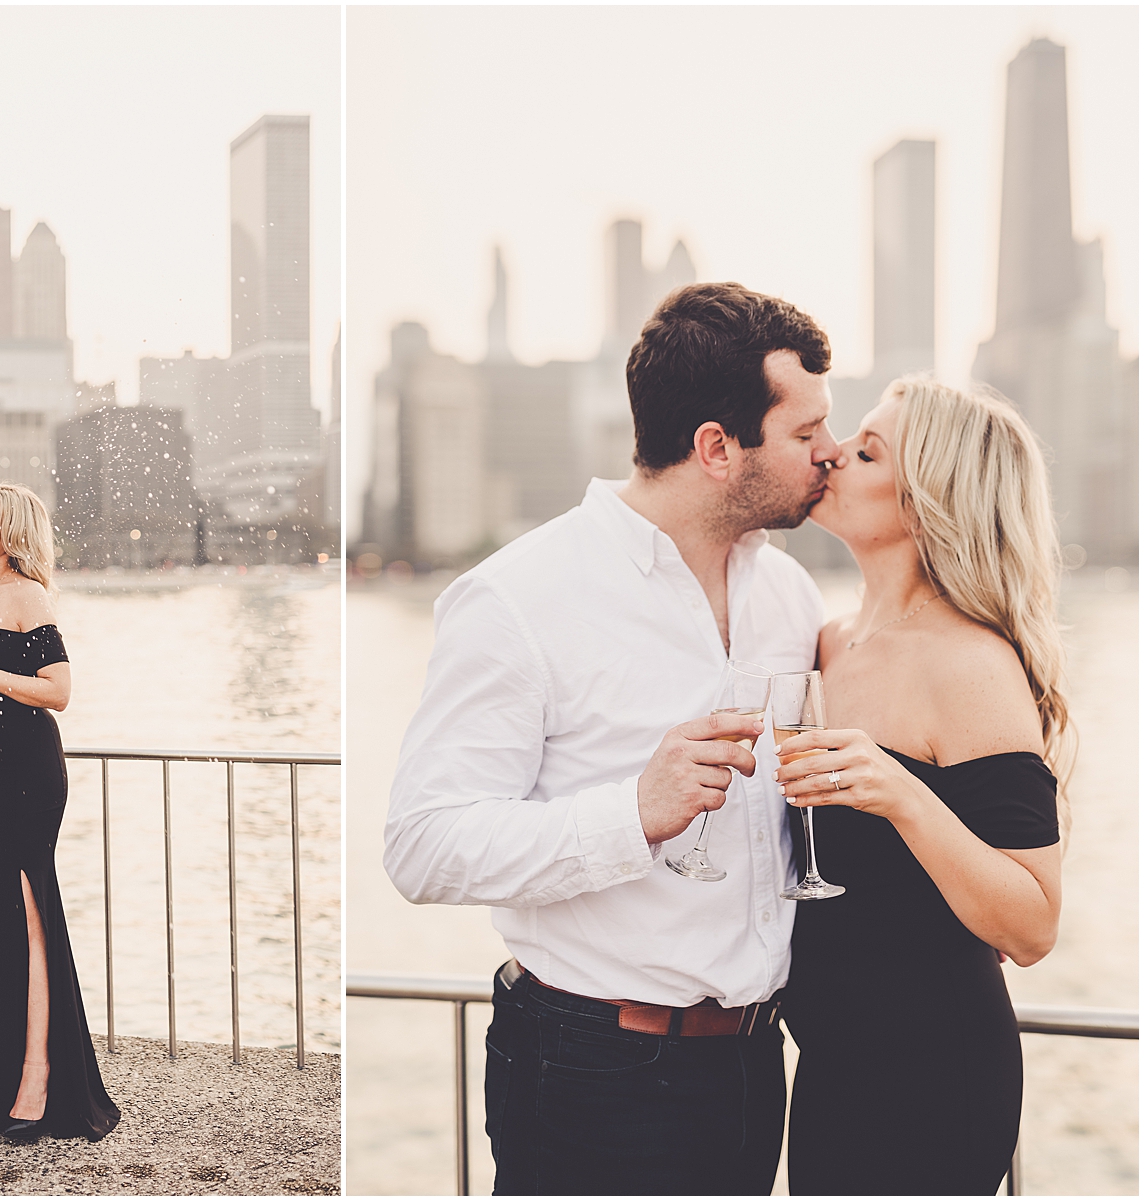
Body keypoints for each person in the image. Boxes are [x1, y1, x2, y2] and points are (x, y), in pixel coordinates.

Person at [384, 282, 845, 1195]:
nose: (830, 453)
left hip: (757, 1069)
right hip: (592, 1073)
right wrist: (634, 812)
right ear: (717, 447)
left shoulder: (789, 595)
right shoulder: (520, 597)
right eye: (805, 433)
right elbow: (420, 844)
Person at [774, 378, 1067, 1195]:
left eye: (867, 451)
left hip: (933, 1081)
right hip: (829, 1067)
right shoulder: (828, 641)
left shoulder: (970, 662)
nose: (832, 452)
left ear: (928, 500)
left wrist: (899, 792)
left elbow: (1034, 923)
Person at [0, 482, 120, 1142]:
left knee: (29, 913)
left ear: (12, 535)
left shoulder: (28, 595)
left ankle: (38, 1078)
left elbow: (58, 691)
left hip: (25, 775)